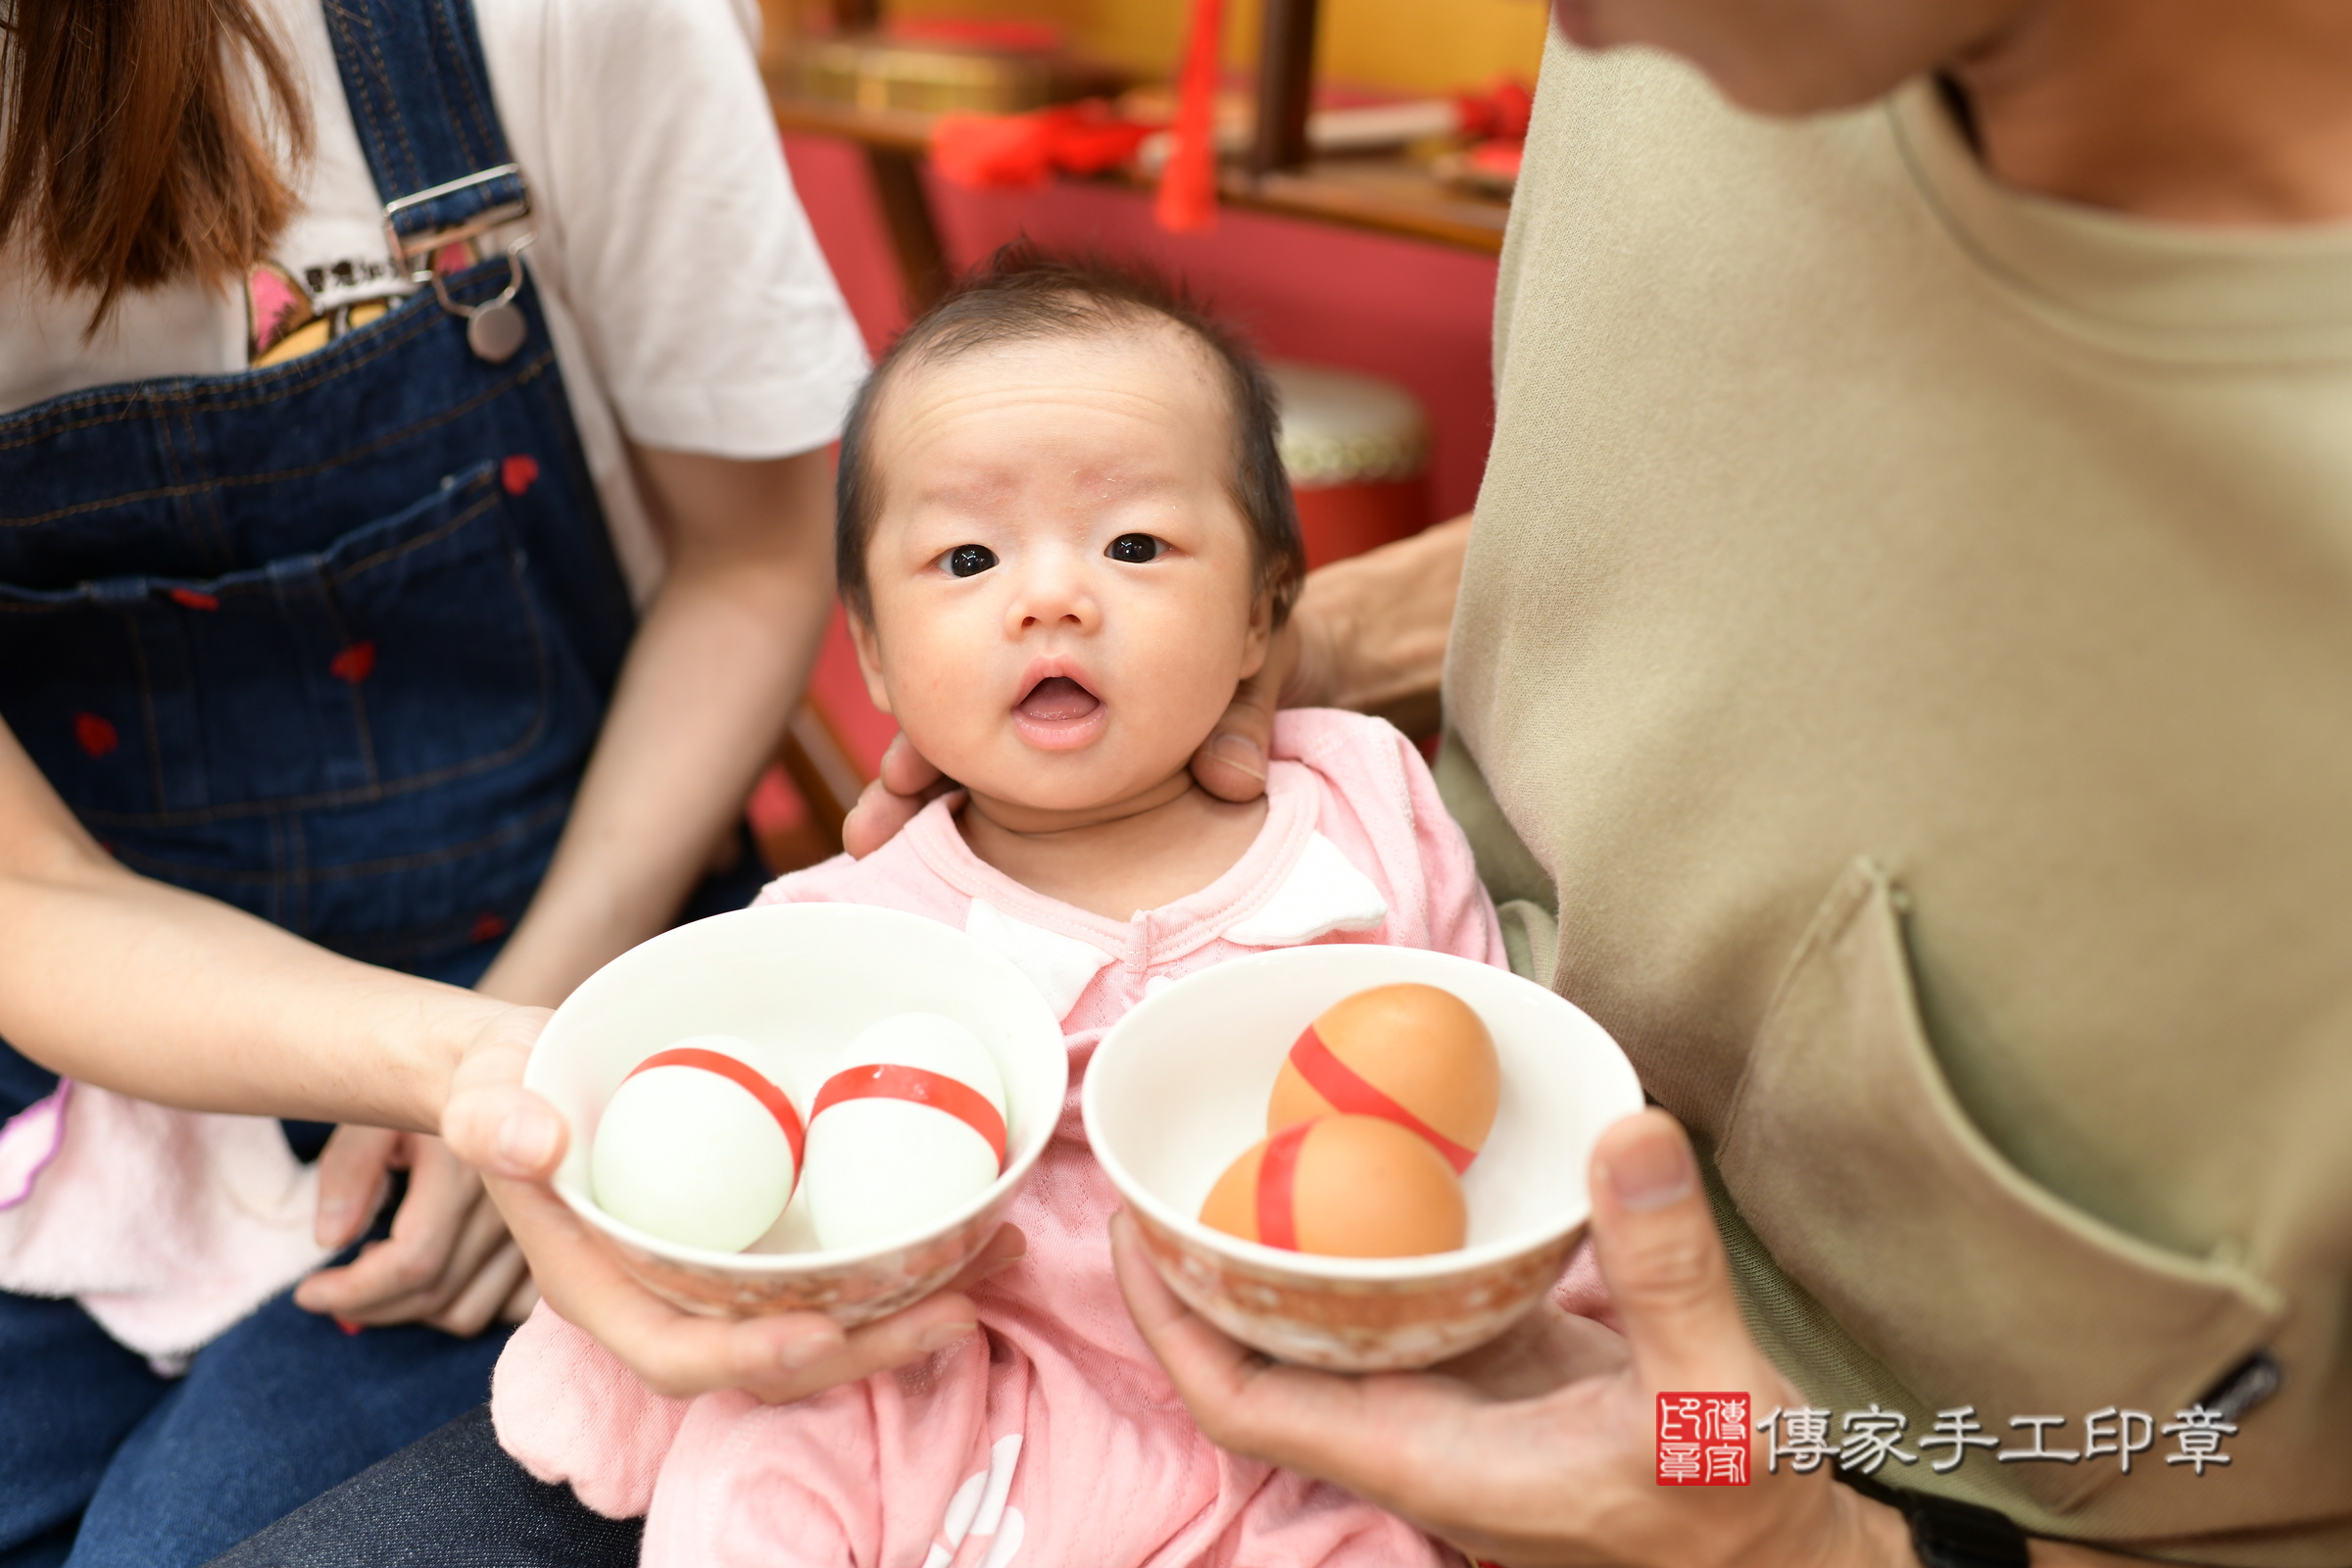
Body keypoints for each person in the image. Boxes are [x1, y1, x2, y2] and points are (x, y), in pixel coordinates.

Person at [822, 1, 2352, 1564]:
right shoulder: (1671, 47)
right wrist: (1289, 643)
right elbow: (1838, 453)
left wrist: (1813, 1551)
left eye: (1132, 540)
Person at [0, 0, 968, 1561]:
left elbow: (758, 552)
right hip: (82, 1069)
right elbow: (24, 893)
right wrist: (446, 1067)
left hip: (554, 963)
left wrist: (526, 1057)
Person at [487, 250, 1501, 1568]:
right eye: (967, 557)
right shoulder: (830, 931)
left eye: (1134, 544)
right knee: (761, 1470)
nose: (1051, 596)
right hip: (937, 1394)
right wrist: (610, 1362)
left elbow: (1495, 1084)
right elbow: (725, 1206)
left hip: (1299, 1429)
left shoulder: (1363, 809)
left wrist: (1561, 1337)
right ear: (874, 656)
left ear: (1264, 620)